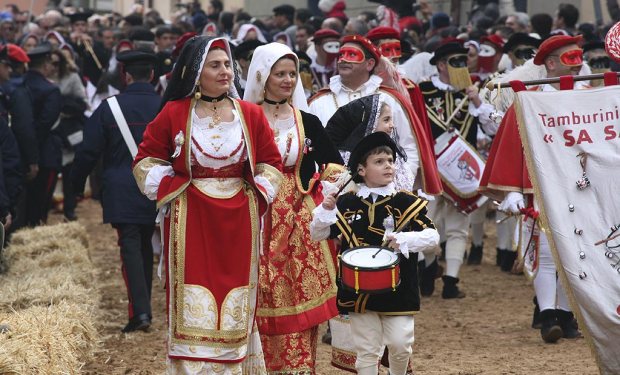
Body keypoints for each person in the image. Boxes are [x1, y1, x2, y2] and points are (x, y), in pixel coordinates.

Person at [132, 35, 283, 372]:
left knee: (235, 295)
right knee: (193, 296)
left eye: (228, 64)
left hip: (239, 220)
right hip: (190, 217)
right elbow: (145, 161)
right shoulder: (174, 112)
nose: (225, 71)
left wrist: (256, 195)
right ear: (196, 72)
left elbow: (271, 164)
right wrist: (175, 187)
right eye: (215, 65)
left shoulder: (250, 114)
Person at [243, 41, 343, 374]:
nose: (288, 80)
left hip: (300, 220)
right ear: (262, 76)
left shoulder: (308, 121)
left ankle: (301, 367)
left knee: (299, 293)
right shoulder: (244, 118)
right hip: (257, 213)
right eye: (280, 73)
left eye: (292, 74)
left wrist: (323, 186)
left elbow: (335, 166)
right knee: (263, 291)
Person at [479, 35, 585, 343]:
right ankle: (548, 314)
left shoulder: (592, 97)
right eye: (570, 59)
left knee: (577, 253)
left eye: (579, 58)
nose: (578, 66)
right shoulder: (529, 100)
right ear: (550, 64)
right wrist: (513, 190)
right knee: (548, 252)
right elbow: (513, 145)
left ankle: (567, 316)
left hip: (581, 186)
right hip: (542, 185)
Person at [310, 132, 439, 375]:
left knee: (401, 345)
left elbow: (433, 236)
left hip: (399, 289)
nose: (388, 165)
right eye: (379, 161)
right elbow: (317, 234)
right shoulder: (346, 203)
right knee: (367, 351)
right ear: (361, 170)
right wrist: (326, 209)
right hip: (358, 291)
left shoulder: (406, 202)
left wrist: (403, 239)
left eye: (390, 160)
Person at [72, 50, 160, 333]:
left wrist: (75, 186)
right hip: (158, 187)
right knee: (146, 245)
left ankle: (140, 312)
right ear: (153, 75)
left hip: (122, 188)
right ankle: (144, 307)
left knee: (132, 248)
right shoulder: (165, 106)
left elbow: (88, 152)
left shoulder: (109, 107)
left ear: (125, 75)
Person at [419, 41, 496, 298]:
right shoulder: (423, 91)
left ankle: (451, 280)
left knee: (457, 226)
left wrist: (476, 99)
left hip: (462, 172)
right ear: (441, 65)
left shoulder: (472, 92)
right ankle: (428, 269)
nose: (461, 67)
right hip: (429, 169)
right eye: (455, 62)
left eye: (464, 61)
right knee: (425, 223)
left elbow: (493, 128)